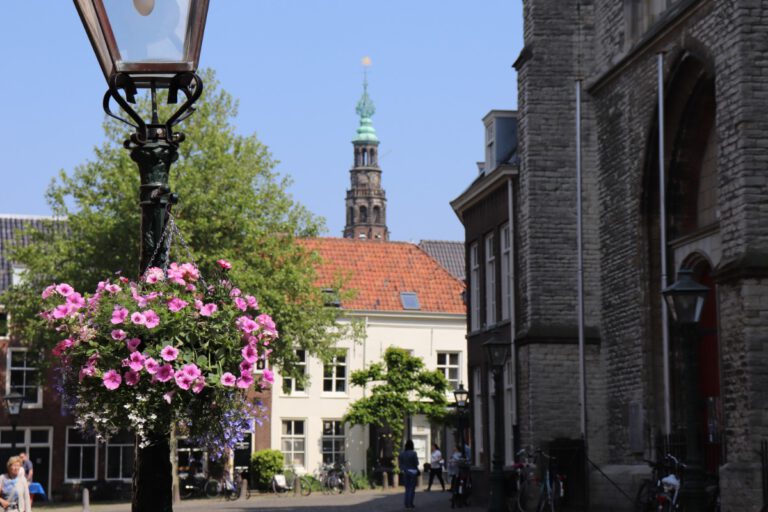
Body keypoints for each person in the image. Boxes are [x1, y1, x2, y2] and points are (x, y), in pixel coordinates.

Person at [398, 439, 419, 509]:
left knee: (407, 489)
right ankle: (410, 504)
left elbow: (400, 463)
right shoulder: (414, 453)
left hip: (405, 472)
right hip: (413, 472)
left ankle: (406, 503)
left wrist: (402, 469)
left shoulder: (402, 454)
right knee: (412, 489)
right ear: (412, 446)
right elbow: (416, 463)